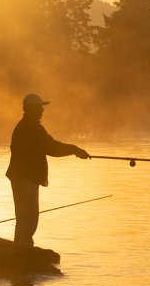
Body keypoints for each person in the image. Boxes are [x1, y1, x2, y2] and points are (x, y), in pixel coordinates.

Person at [6, 93, 90, 247]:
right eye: (40, 107)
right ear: (32, 109)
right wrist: (75, 150)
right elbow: (51, 147)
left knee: (24, 214)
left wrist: (74, 150)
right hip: (25, 177)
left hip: (21, 176)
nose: (42, 111)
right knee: (29, 215)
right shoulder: (32, 127)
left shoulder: (26, 125)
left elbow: (49, 146)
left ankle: (22, 244)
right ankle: (22, 247)